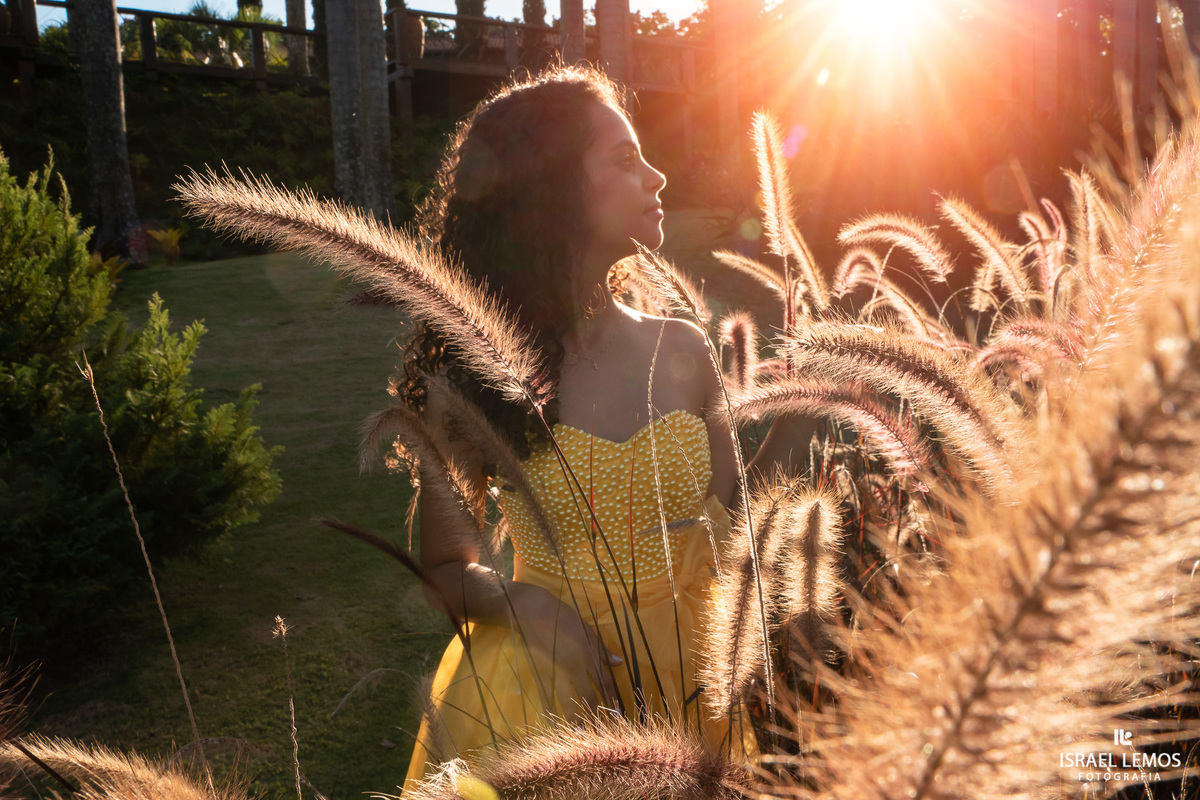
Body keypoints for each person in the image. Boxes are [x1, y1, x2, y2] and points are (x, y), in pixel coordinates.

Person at [399, 65, 806, 788]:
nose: (656, 177)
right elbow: (443, 568)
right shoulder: (472, 376)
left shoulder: (682, 349)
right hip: (553, 689)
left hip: (700, 676)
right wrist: (530, 609)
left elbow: (738, 520)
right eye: (624, 159)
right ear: (547, 189)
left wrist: (808, 421)